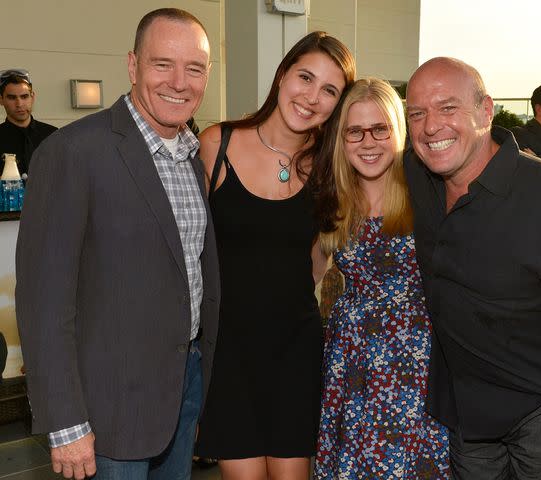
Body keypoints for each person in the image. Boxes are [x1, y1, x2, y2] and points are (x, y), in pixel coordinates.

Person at [15, 8, 220, 480]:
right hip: (105, 410)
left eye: (195, 68)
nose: (179, 81)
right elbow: (44, 302)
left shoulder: (192, 158)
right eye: (162, 64)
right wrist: (65, 422)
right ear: (132, 65)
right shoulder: (72, 153)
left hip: (181, 389)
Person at [404, 57, 541, 480]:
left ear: (486, 111)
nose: (430, 126)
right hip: (467, 424)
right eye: (417, 113)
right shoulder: (419, 178)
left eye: (448, 108)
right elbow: (347, 159)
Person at [194, 31, 355, 480]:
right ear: (283, 73)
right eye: (305, 77)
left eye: (329, 90)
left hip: (295, 351)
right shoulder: (216, 144)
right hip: (229, 352)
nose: (311, 97)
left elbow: (315, 265)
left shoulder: (329, 167)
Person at [313, 77, 449, 479]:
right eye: (355, 131)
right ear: (342, 138)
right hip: (351, 361)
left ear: (398, 131)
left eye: (380, 129)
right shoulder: (332, 197)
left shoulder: (427, 190)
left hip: (415, 359)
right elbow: (307, 277)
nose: (368, 142)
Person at [0, 69, 57, 176]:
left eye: (24, 96)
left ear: (32, 97)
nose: (19, 104)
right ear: (1, 100)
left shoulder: (52, 134)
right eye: (12, 98)